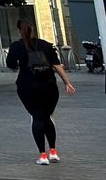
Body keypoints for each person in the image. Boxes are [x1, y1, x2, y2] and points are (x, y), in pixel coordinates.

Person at [6, 19, 74, 164]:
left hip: (28, 87)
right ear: (34, 29)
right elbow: (56, 65)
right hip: (49, 86)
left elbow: (10, 65)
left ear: (19, 30)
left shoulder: (17, 46)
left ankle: (42, 155)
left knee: (37, 117)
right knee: (46, 117)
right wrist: (67, 82)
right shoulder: (45, 45)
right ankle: (53, 152)